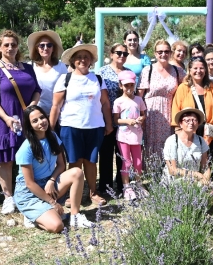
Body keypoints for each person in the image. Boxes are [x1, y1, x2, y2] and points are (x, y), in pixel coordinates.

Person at [0, 30, 41, 215]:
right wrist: (6, 117)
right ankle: (8, 198)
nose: (10, 48)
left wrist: (30, 110)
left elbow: (36, 91)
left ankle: (27, 193)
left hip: (26, 120)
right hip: (4, 120)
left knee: (28, 158)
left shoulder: (28, 68)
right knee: (6, 160)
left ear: (18, 47)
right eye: (6, 45)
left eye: (13, 44)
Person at [50, 44, 113, 206]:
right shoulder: (65, 79)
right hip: (70, 127)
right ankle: (73, 195)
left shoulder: (98, 79)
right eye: (78, 57)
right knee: (75, 161)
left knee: (91, 162)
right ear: (72, 61)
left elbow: (105, 103)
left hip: (95, 127)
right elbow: (56, 106)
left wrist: (108, 123)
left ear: (91, 60)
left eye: (86, 57)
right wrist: (50, 129)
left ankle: (93, 193)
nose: (82, 60)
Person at [13, 105, 94, 232]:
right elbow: (29, 183)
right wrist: (52, 202)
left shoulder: (53, 137)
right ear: (29, 126)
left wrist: (52, 180)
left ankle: (75, 216)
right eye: (35, 121)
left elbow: (61, 165)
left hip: (47, 184)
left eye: (42, 117)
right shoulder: (26, 148)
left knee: (77, 172)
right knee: (57, 226)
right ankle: (32, 216)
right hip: (29, 193)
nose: (41, 122)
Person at [171, 57, 213, 167]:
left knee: (210, 160)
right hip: (190, 130)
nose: (199, 71)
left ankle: (212, 179)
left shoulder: (212, 88)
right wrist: (178, 129)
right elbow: (176, 109)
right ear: (190, 69)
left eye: (202, 68)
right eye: (195, 68)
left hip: (209, 131)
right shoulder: (183, 88)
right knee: (192, 160)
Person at [139, 40, 185, 164]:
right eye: (160, 52)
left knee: (168, 141)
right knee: (150, 141)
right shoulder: (148, 70)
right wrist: (140, 114)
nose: (163, 54)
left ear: (170, 53)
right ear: (155, 53)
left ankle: (168, 169)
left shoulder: (177, 71)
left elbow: (189, 85)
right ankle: (151, 170)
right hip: (151, 112)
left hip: (170, 110)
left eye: (166, 51)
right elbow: (140, 95)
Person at [97, 43, 131, 195]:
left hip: (125, 121)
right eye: (118, 53)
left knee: (123, 155)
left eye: (125, 54)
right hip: (106, 119)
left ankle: (123, 185)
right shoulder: (102, 72)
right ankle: (105, 187)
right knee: (106, 154)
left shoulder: (129, 72)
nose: (121, 56)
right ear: (111, 54)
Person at [114, 70, 147, 200]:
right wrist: (127, 121)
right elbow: (115, 119)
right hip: (123, 136)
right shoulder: (118, 102)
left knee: (138, 162)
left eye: (131, 85)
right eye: (126, 85)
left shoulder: (139, 100)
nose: (129, 88)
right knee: (126, 162)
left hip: (137, 135)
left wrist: (141, 119)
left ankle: (138, 184)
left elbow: (144, 114)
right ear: (120, 86)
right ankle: (126, 186)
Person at [163, 108, 212, 184]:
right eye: (187, 120)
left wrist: (205, 180)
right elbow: (172, 170)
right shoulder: (172, 140)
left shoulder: (201, 140)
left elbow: (205, 167)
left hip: (195, 181)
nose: (191, 123)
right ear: (180, 124)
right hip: (176, 182)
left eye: (194, 120)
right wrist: (195, 174)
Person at [27, 30, 68, 116]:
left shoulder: (61, 67)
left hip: (57, 113)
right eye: (42, 45)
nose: (45, 48)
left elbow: (67, 89)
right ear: (37, 49)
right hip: (36, 113)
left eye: (49, 45)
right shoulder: (30, 66)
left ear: (53, 48)